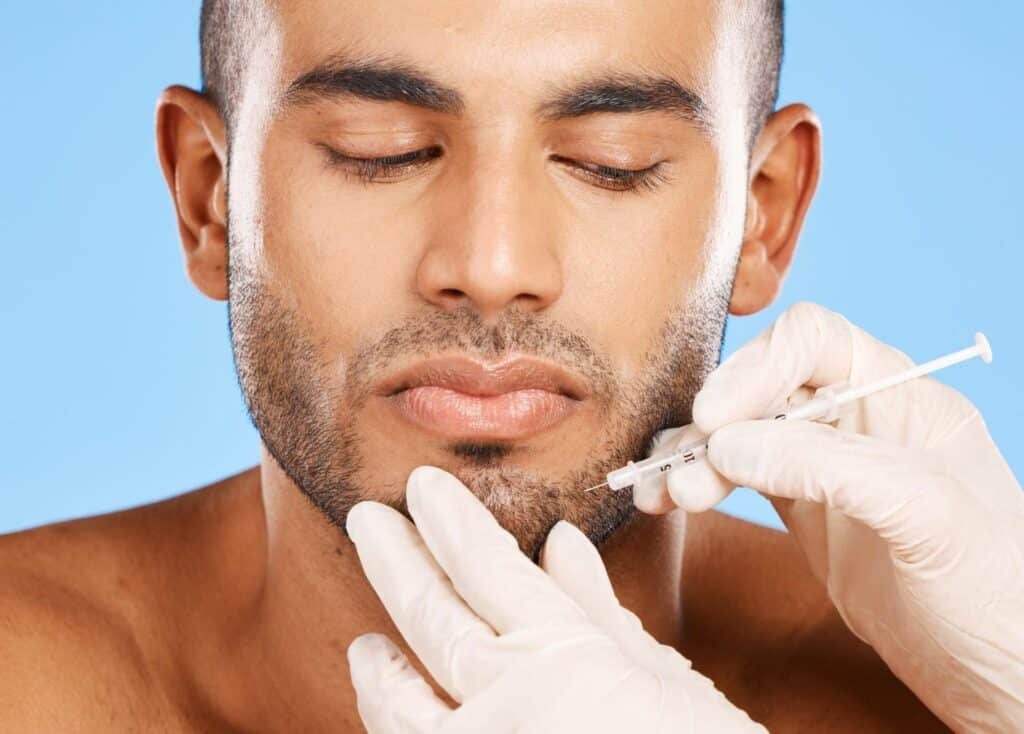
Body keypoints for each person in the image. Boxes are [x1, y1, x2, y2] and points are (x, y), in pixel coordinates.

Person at [1, 0, 1020, 731]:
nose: (490, 268)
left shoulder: (929, 690)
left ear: (762, 215)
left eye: (609, 161)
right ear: (209, 196)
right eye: (381, 149)